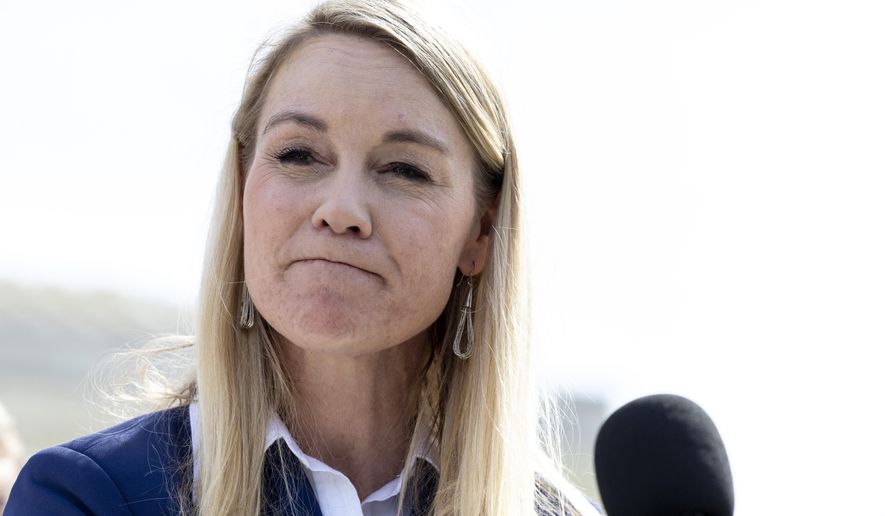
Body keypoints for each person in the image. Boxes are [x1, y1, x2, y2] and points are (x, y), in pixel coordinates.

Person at [6, 1, 600, 514]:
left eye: (404, 169)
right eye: (298, 155)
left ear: (482, 232)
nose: (341, 210)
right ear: (241, 192)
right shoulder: (92, 497)